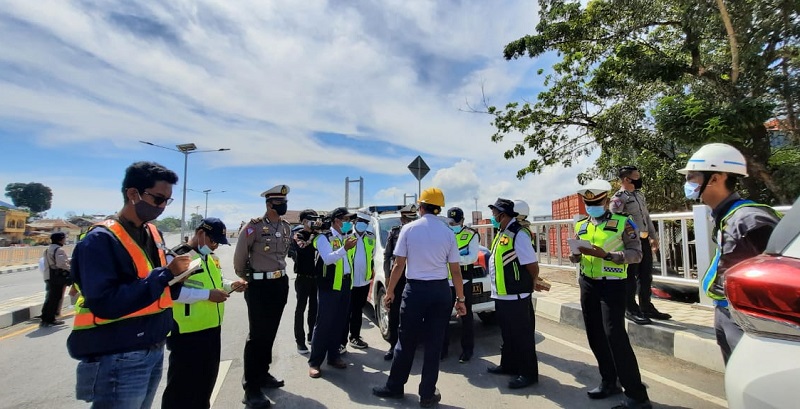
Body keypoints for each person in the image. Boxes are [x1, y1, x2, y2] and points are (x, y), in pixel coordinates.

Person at [67, 161, 191, 409]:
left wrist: (177, 277)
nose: (163, 207)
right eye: (158, 199)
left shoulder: (152, 233)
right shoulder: (100, 240)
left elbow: (155, 285)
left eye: (168, 200)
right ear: (133, 194)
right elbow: (105, 302)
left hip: (152, 346)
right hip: (119, 354)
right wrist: (165, 274)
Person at [678, 143, 780, 364]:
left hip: (747, 319)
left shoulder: (749, 220)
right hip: (727, 311)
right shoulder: (726, 216)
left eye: (692, 177)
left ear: (715, 178)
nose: (688, 183)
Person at [372, 188, 467, 408]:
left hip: (415, 292)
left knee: (405, 342)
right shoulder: (447, 233)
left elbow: (398, 265)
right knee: (434, 344)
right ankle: (427, 395)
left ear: (420, 207)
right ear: (439, 208)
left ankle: (395, 387)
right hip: (440, 292)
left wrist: (390, 291)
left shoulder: (408, 229)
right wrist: (460, 299)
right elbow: (455, 271)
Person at [569, 179, 651, 409]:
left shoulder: (624, 223)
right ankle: (609, 381)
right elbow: (577, 255)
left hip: (614, 284)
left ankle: (636, 394)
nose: (591, 206)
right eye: (587, 202)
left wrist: (608, 255)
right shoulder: (581, 225)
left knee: (615, 336)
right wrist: (575, 255)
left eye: (595, 202)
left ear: (605, 201)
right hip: (588, 283)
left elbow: (636, 254)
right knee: (595, 334)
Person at [162, 218, 248, 409]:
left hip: (211, 329)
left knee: (205, 384)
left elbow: (215, 281)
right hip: (186, 333)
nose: (215, 246)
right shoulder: (177, 257)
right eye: (213, 241)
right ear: (201, 234)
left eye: (218, 243)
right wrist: (207, 295)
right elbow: (170, 293)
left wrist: (230, 284)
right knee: (181, 389)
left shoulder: (210, 258)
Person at [234, 185, 293, 409]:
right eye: (280, 202)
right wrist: (248, 279)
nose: (283, 205)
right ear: (269, 204)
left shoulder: (286, 227)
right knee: (257, 335)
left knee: (270, 332)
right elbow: (240, 259)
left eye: (284, 201)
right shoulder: (253, 227)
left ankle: (263, 373)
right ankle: (251, 387)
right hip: (259, 285)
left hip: (280, 283)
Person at [485, 199, 540, 390]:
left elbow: (531, 264)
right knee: (507, 335)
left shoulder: (519, 234)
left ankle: (528, 374)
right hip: (502, 295)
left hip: (516, 295)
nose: (493, 216)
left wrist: (531, 282)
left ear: (503, 214)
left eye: (495, 213)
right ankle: (508, 365)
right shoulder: (502, 233)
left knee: (522, 336)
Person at [610, 165, 669, 325]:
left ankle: (646, 306)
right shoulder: (618, 198)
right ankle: (630, 309)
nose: (640, 178)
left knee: (646, 275)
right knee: (630, 276)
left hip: (643, 240)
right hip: (629, 243)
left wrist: (653, 236)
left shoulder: (639, 195)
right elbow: (614, 223)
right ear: (626, 179)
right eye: (637, 176)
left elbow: (646, 217)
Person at [308, 207, 357, 378]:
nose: (349, 223)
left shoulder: (346, 237)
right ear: (337, 220)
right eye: (346, 219)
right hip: (329, 287)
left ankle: (333, 356)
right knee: (323, 325)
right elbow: (328, 259)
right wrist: (344, 248)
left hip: (345, 286)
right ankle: (315, 362)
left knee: (339, 323)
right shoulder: (323, 238)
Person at [442, 207, 478, 362]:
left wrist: (453, 260)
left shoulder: (471, 234)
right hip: (445, 281)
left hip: (463, 281)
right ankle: (442, 349)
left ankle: (467, 350)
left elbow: (472, 257)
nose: (454, 224)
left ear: (463, 220)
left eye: (456, 222)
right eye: (451, 222)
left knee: (466, 316)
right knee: (442, 317)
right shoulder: (443, 234)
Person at [382, 203, 418, 361]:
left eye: (412, 218)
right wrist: (388, 278)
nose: (409, 221)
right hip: (399, 276)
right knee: (394, 312)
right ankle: (393, 345)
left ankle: (411, 344)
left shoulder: (420, 232)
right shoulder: (395, 232)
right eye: (407, 219)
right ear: (402, 218)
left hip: (416, 276)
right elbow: (387, 256)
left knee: (413, 313)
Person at [341, 211, 376, 351]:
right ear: (355, 222)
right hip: (349, 281)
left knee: (357, 311)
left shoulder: (370, 238)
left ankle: (355, 337)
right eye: (360, 220)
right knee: (345, 312)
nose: (363, 224)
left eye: (366, 222)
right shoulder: (346, 236)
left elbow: (371, 256)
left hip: (364, 282)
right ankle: (341, 342)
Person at [289, 209, 321, 354]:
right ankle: (299, 341)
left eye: (315, 219)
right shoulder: (299, 235)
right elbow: (302, 247)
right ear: (303, 221)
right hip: (303, 278)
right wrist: (313, 236)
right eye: (310, 219)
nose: (313, 221)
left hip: (316, 278)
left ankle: (312, 336)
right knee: (300, 309)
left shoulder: (319, 235)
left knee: (314, 309)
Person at [40, 232, 71, 327]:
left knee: (50, 298)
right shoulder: (59, 250)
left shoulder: (47, 249)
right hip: (57, 277)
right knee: (55, 298)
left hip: (48, 276)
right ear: (60, 239)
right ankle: (50, 319)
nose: (65, 240)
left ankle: (45, 317)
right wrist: (70, 269)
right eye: (64, 238)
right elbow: (61, 264)